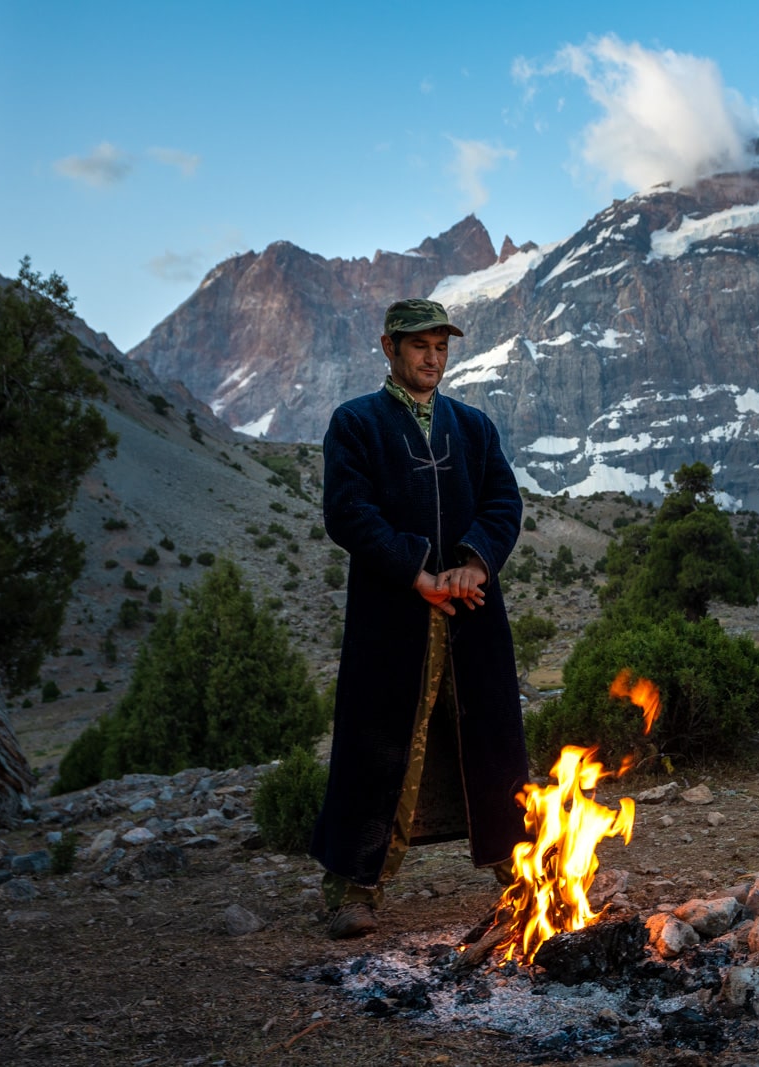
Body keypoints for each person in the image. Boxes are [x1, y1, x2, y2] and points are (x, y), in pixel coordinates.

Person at [310, 298, 530, 939]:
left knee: (490, 740)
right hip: (391, 617)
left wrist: (473, 564)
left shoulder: (473, 426)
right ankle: (353, 888)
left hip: (471, 612)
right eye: (418, 347)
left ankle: (521, 873)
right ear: (389, 348)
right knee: (375, 746)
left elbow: (502, 501)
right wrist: (418, 574)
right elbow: (348, 512)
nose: (432, 359)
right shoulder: (355, 424)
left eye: (440, 348)